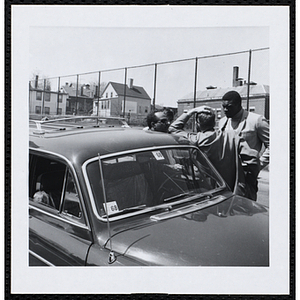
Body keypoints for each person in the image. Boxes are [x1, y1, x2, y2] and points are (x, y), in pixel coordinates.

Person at [169, 106, 253, 196]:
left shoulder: (196, 139)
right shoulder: (232, 136)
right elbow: (253, 159)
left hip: (208, 191)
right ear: (214, 122)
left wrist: (191, 112)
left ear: (198, 123)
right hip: (232, 189)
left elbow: (173, 129)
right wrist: (248, 180)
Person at [219, 90, 269, 200]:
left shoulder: (256, 120)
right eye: (223, 107)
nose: (225, 110)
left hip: (247, 175)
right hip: (225, 175)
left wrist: (259, 164)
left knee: (246, 209)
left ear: (238, 105)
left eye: (229, 107)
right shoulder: (222, 122)